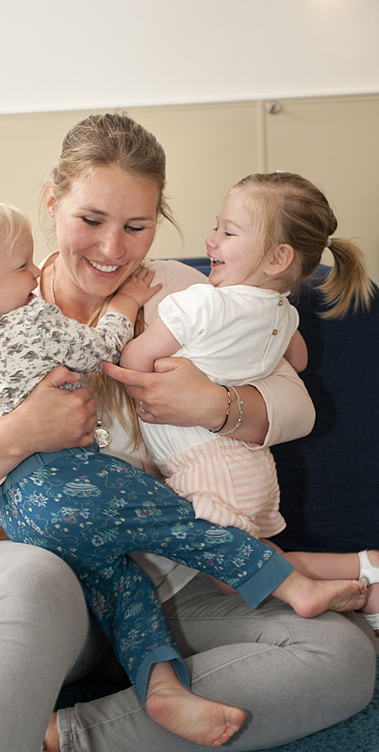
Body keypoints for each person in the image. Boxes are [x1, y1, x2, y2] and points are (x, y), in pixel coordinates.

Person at [0, 113, 375, 752]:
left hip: (171, 581)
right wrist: (19, 433)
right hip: (43, 574)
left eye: (136, 226)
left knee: (341, 654)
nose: (112, 249)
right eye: (91, 221)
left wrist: (214, 404)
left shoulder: (183, 290)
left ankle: (68, 735)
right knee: (29, 586)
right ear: (53, 202)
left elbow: (297, 406)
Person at [120, 170, 379, 637]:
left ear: (280, 257)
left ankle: (349, 571)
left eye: (227, 231)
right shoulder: (284, 314)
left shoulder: (199, 303)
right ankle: (362, 569)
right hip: (250, 466)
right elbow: (295, 362)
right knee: (245, 566)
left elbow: (134, 360)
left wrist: (126, 318)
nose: (210, 239)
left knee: (233, 573)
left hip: (207, 468)